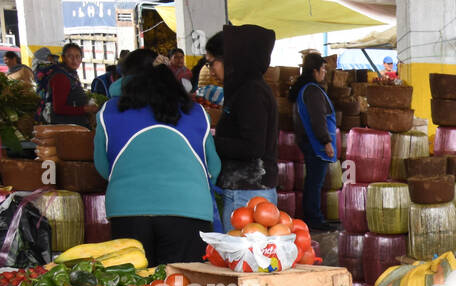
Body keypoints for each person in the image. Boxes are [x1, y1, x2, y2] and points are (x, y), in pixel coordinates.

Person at [94, 54, 219, 265]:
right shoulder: (197, 112)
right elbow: (213, 168)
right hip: (188, 211)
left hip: (128, 211)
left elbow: (102, 167)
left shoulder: (109, 111)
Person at [212, 25, 279, 231]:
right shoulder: (246, 89)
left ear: (232, 60)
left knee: (242, 258)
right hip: (247, 190)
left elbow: (253, 147)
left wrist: (211, 141)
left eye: (211, 62)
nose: (210, 70)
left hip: (248, 193)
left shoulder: (251, 92)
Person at [290, 52, 336, 231]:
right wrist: (326, 141)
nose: (324, 72)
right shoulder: (312, 91)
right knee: (315, 183)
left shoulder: (305, 89)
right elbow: (317, 119)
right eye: (323, 69)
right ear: (315, 71)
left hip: (309, 141)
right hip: (315, 143)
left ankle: (313, 216)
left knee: (313, 181)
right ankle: (314, 219)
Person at [41, 43, 98, 128]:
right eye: (70, 56)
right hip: (65, 127)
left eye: (77, 56)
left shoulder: (70, 74)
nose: (74, 60)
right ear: (63, 58)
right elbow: (59, 108)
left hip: (72, 125)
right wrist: (86, 109)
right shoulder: (61, 77)